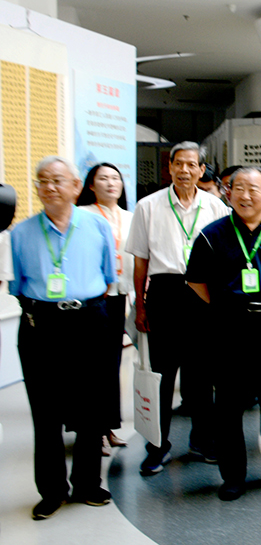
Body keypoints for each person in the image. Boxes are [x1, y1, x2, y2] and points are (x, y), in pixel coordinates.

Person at [185, 167, 261, 501]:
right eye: (238, 188)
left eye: (253, 189)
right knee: (228, 408)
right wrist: (228, 305)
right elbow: (196, 281)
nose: (245, 195)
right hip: (230, 332)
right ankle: (233, 477)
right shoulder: (212, 235)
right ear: (228, 193)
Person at [11, 156, 118, 519]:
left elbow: (107, 277)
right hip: (41, 324)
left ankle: (88, 484)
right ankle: (52, 490)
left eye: (58, 180)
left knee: (91, 408)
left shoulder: (96, 225)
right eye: (42, 181)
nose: (49, 187)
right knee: (45, 413)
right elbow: (17, 285)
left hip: (89, 320)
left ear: (75, 187)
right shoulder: (21, 233)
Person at [125, 141, 230, 475]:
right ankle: (157, 447)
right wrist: (141, 305)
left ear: (201, 170)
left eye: (191, 164)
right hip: (164, 294)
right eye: (178, 164)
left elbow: (224, 257)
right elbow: (140, 262)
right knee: (162, 375)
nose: (184, 170)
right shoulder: (148, 206)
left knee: (201, 375)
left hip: (203, 294)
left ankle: (203, 441)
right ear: (169, 167)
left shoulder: (215, 206)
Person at [77, 162, 134, 454]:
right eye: (103, 178)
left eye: (115, 178)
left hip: (119, 296)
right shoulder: (82, 215)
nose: (111, 183)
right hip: (91, 299)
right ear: (91, 185)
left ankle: (109, 427)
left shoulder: (130, 217)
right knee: (91, 366)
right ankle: (91, 430)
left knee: (112, 365)